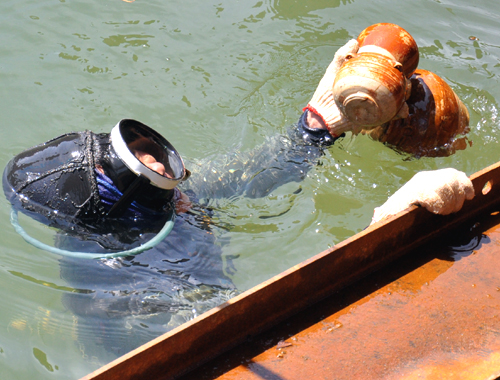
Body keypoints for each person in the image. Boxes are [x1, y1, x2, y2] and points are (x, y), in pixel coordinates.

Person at [2, 40, 469, 358]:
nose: (167, 168)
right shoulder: (111, 281)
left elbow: (260, 172)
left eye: (153, 153)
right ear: (125, 198)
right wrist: (379, 233)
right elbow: (224, 328)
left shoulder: (170, 197)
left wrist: (319, 123)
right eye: (150, 166)